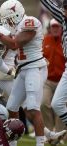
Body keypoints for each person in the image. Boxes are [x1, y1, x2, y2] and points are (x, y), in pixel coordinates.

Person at [0, 0, 48, 145]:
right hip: (22, 69)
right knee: (12, 107)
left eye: (8, 18)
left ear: (16, 13)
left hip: (34, 67)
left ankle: (40, 143)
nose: (7, 22)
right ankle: (13, 143)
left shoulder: (30, 22)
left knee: (32, 108)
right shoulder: (16, 27)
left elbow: (14, 44)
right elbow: (7, 44)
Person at [40, 0, 67, 129]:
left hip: (62, 75)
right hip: (50, 78)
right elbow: (50, 5)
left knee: (59, 104)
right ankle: (51, 131)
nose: (64, 11)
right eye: (64, 8)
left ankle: (61, 133)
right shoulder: (45, 40)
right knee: (51, 103)